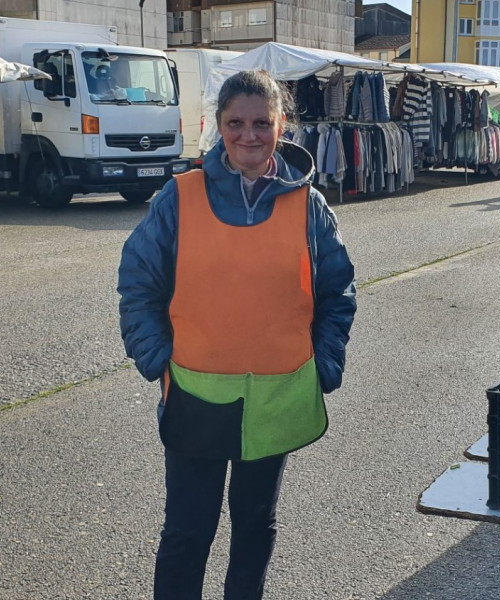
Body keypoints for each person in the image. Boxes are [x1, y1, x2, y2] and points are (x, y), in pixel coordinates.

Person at [117, 69, 357, 600]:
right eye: (235, 123)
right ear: (219, 127)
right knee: (187, 531)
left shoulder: (309, 206)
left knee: (254, 528)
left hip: (278, 397)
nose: (249, 135)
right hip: (197, 395)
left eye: (261, 123)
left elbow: (337, 294)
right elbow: (138, 285)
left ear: (282, 125)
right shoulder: (179, 198)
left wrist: (324, 364)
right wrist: (157, 358)